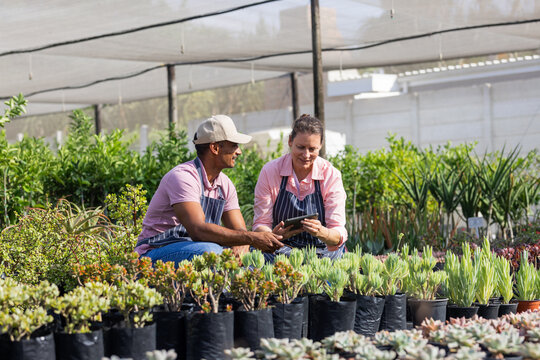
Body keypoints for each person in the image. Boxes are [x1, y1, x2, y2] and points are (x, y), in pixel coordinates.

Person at [135, 115, 284, 264]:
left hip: (195, 248)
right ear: (215, 148)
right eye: (233, 145)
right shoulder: (183, 177)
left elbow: (240, 230)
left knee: (265, 258)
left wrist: (243, 245)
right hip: (155, 252)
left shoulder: (225, 184)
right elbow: (198, 230)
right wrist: (251, 238)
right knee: (212, 253)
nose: (239, 152)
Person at [253, 114, 347, 261]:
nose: (306, 154)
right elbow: (261, 223)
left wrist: (321, 232)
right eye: (301, 147)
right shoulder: (270, 171)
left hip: (322, 251)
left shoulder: (331, 175)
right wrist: (273, 235)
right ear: (290, 141)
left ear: (321, 146)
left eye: (312, 149)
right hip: (281, 248)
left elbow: (337, 230)